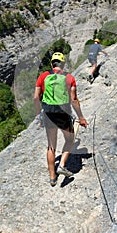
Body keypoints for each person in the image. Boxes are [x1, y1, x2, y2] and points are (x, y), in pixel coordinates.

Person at [34, 52, 88, 187]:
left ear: (52, 64)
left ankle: (52, 177)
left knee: (51, 145)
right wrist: (81, 117)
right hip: (63, 114)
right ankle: (62, 165)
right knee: (70, 140)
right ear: (63, 64)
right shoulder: (69, 78)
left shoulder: (43, 76)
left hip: (48, 114)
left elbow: (36, 97)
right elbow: (74, 100)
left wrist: (38, 115)